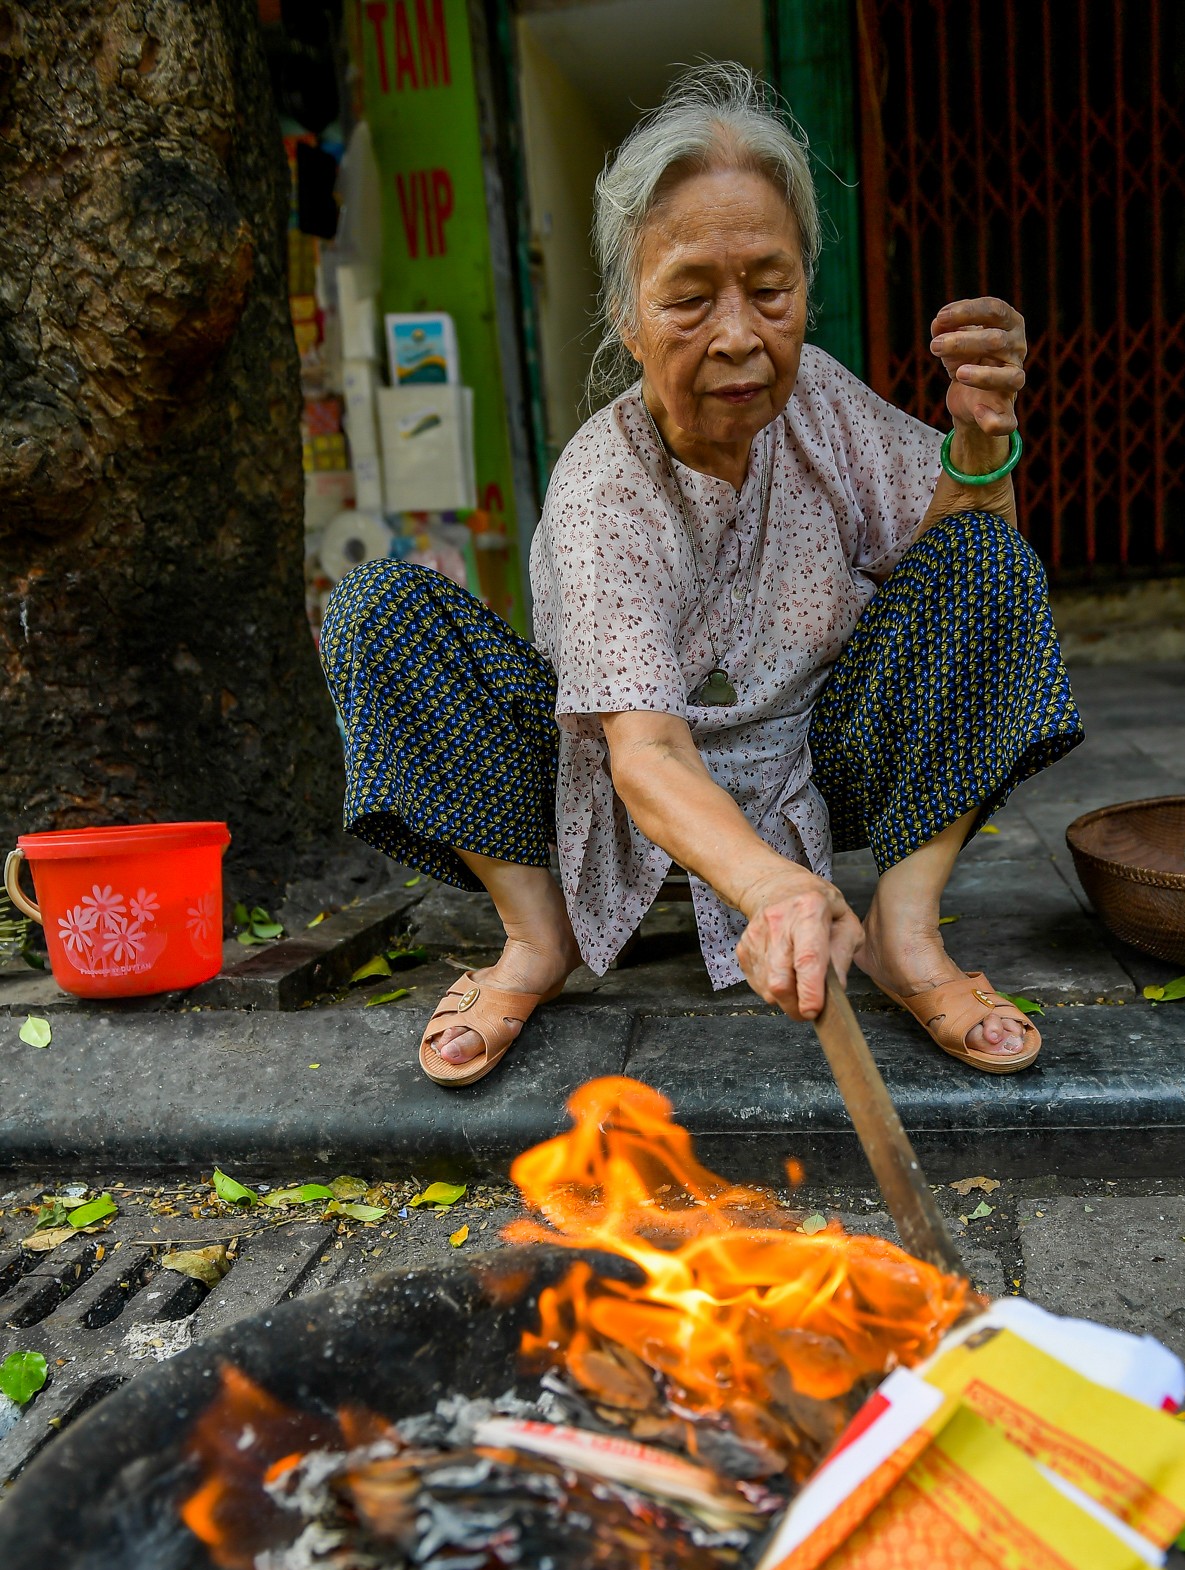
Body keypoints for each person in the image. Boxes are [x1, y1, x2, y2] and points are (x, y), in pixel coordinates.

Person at [319, 63, 1083, 1089]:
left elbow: (954, 561)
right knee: (377, 606)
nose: (737, 335)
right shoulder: (603, 489)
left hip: (809, 770)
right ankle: (534, 939)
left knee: (987, 553)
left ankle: (907, 937)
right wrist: (773, 890)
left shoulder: (821, 398)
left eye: (768, 290)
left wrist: (979, 447)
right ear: (626, 318)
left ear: (803, 287)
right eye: (687, 298)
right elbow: (643, 757)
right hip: (602, 796)